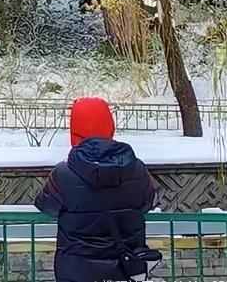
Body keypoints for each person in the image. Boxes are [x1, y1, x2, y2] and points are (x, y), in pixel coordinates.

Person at [35, 97, 157, 282]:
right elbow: (147, 203)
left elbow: (47, 207)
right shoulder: (137, 169)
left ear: (75, 130)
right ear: (109, 125)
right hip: (124, 268)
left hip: (77, 270)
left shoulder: (63, 174)